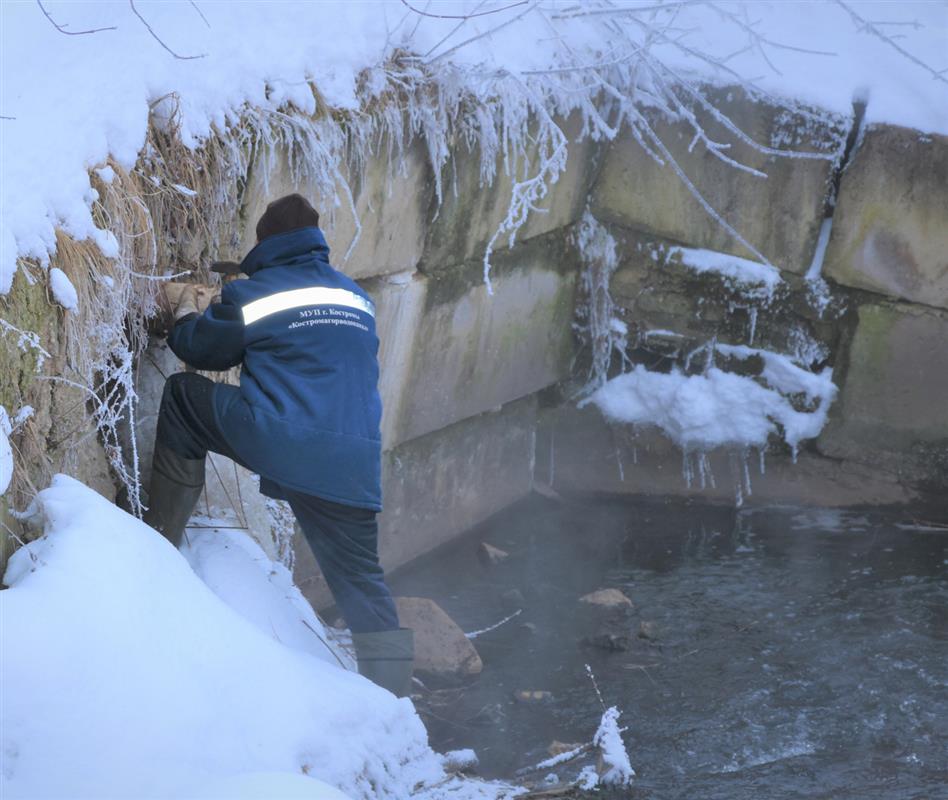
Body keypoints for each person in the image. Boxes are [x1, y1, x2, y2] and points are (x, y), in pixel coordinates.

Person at [145, 193, 413, 697]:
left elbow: (199, 350)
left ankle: (158, 547)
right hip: (353, 465)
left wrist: (187, 310)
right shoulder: (357, 298)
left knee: (183, 397)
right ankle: (395, 704)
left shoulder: (257, 295)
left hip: (285, 442)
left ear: (265, 242)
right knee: (362, 584)